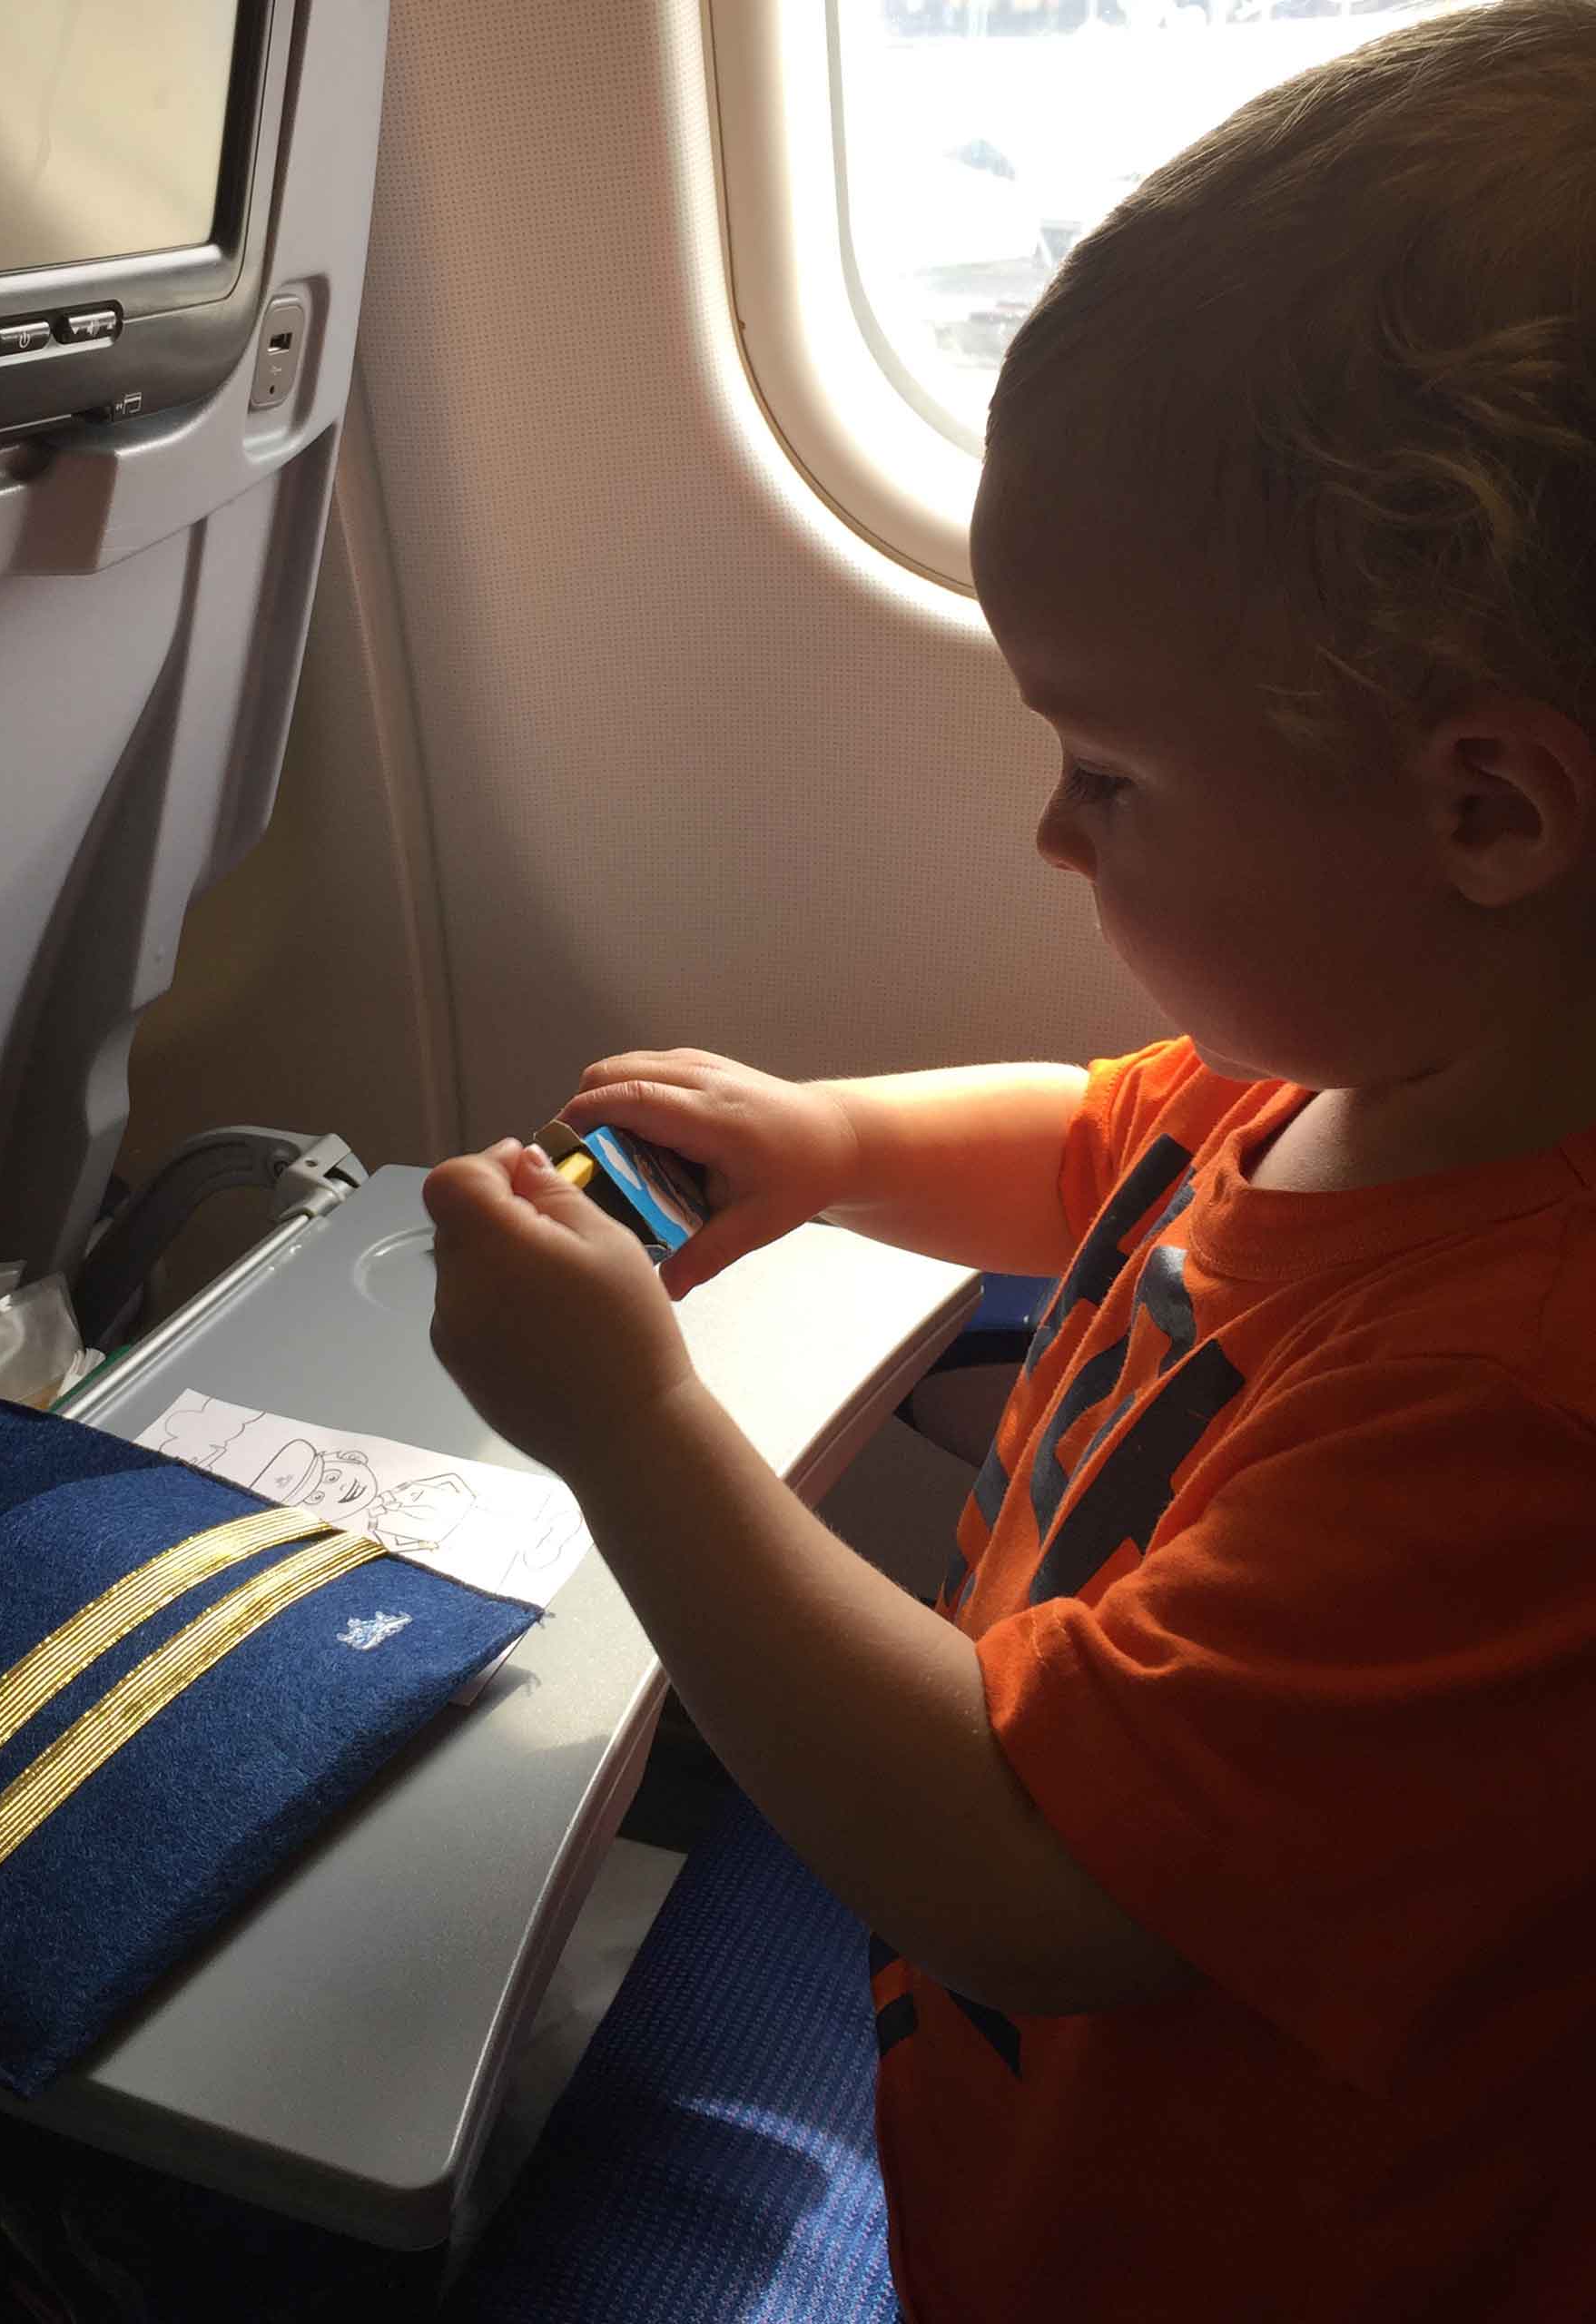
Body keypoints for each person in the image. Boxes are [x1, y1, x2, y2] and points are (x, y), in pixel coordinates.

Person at [421, 2, 1596, 2311]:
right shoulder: (1359, 1071)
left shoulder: (1526, 1402)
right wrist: (824, 1140)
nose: (1050, 829)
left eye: (1111, 773)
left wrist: (629, 1433)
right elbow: (1092, 1156)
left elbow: (1025, 1868)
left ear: (1488, 807)